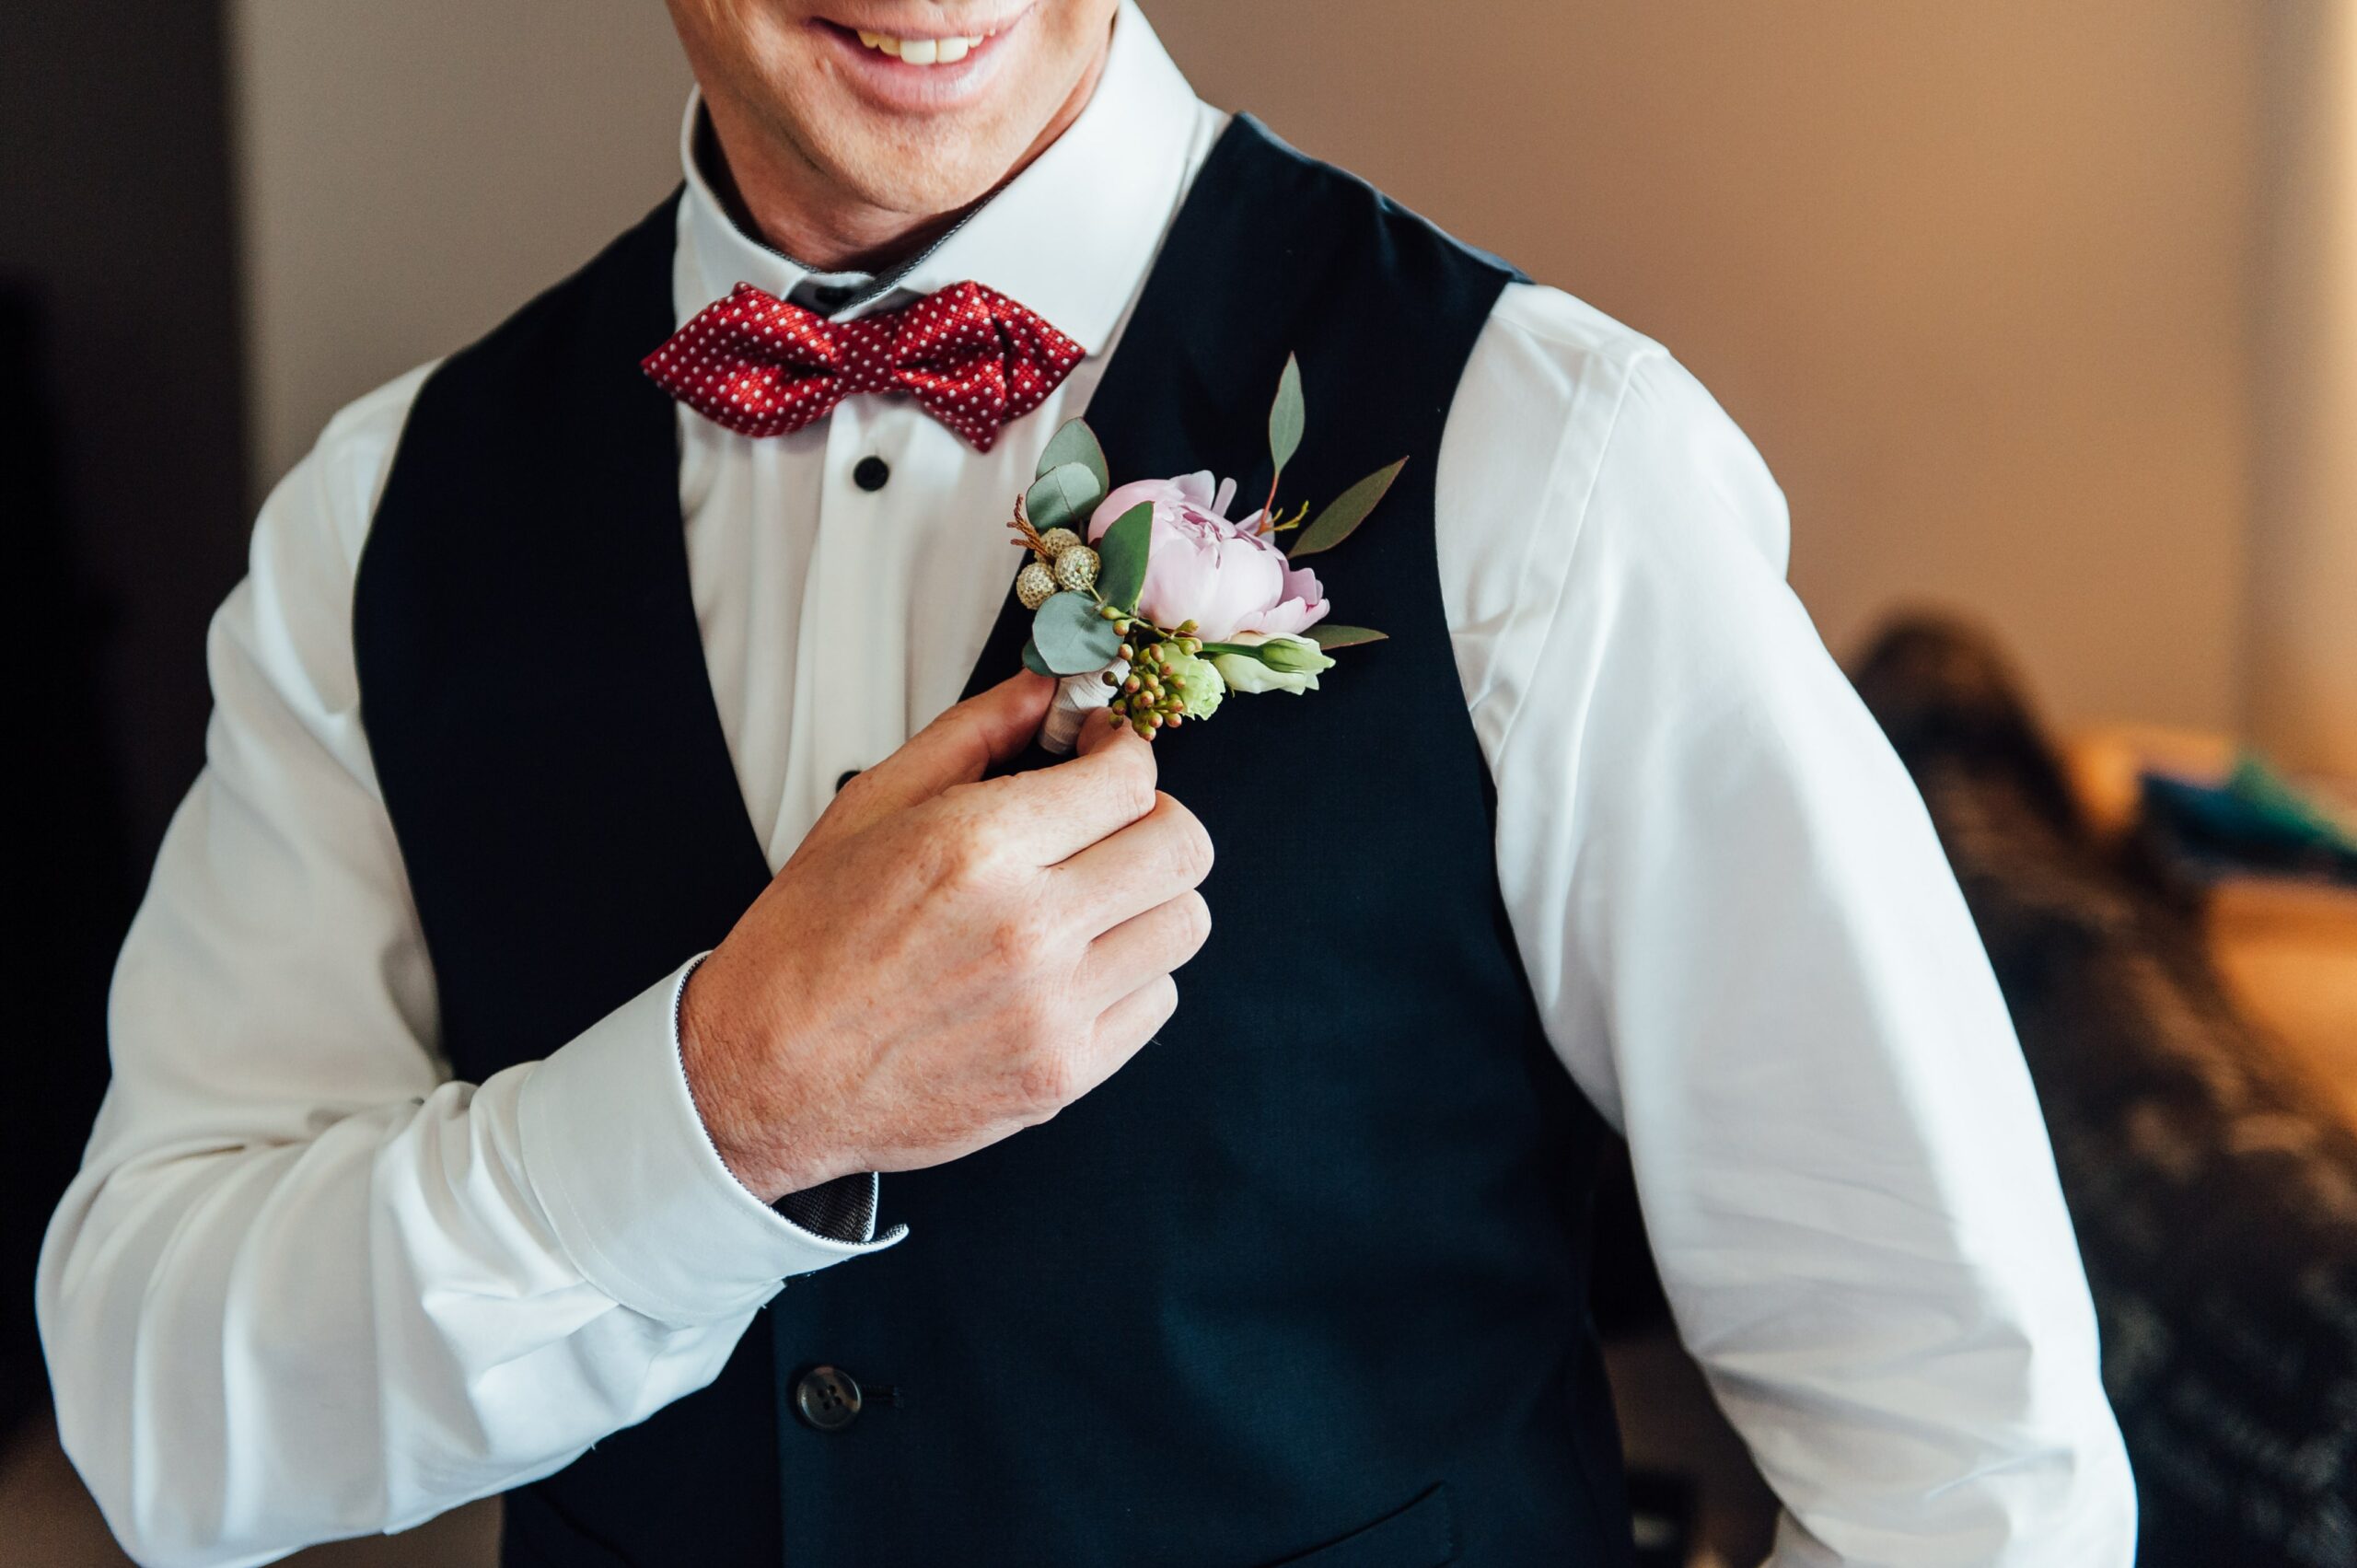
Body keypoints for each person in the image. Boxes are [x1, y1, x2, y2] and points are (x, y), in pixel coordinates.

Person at [39, 3, 2136, 1563]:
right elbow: (158, 1413)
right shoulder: (381, 521)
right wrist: (725, 1105)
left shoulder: (1551, 460)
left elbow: (1964, 1447)